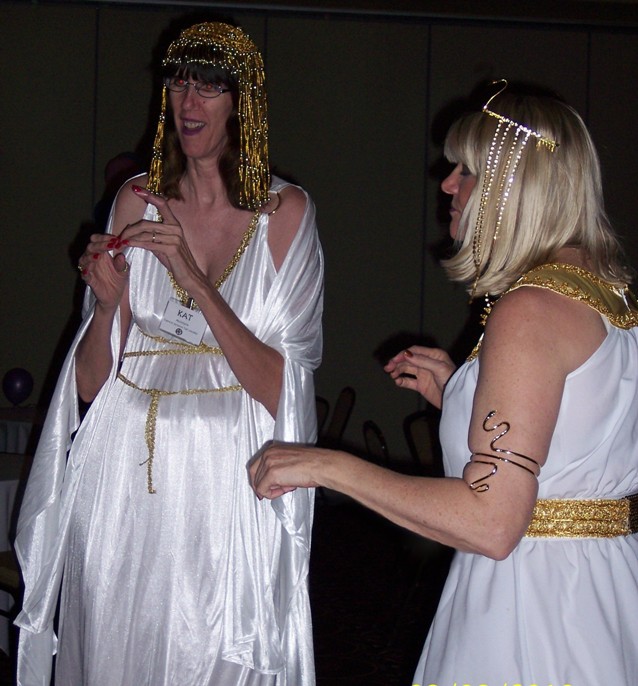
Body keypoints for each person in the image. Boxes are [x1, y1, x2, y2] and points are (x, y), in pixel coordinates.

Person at [251, 81, 638, 685]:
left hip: (531, 610)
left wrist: (326, 465)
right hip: (600, 592)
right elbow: (576, 432)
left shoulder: (530, 310)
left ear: (516, 187)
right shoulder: (607, 292)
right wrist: (461, 390)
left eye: (467, 171)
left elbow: (492, 521)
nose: (448, 185)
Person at [15, 22, 323, 686]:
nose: (189, 101)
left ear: (241, 103)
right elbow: (91, 384)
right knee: (113, 651)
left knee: (211, 659)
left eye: (208, 87)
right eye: (179, 83)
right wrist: (103, 309)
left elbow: (284, 390)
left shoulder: (287, 214)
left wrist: (195, 281)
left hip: (228, 482)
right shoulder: (136, 199)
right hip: (123, 479)